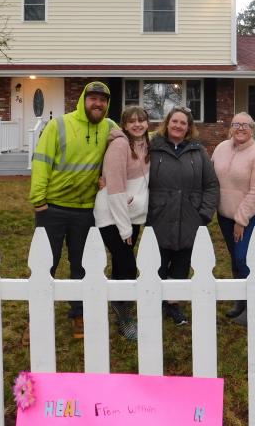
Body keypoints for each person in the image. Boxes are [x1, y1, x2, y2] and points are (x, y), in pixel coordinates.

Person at [29, 81, 117, 339]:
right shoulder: (59, 125)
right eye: (93, 98)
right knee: (46, 264)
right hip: (52, 208)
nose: (97, 103)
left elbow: (132, 146)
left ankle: (79, 314)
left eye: (103, 99)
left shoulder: (111, 129)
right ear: (83, 100)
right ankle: (36, 319)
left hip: (87, 211)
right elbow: (41, 159)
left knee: (82, 266)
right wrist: (38, 199)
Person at [148, 106, 219, 326]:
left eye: (183, 123)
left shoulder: (198, 152)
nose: (178, 126)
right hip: (159, 215)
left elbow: (211, 184)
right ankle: (154, 304)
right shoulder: (153, 148)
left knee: (181, 265)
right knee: (157, 263)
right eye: (175, 121)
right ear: (167, 123)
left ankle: (173, 305)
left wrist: (204, 214)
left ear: (189, 128)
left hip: (190, 217)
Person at [94, 105, 150, 341]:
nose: (137, 124)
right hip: (112, 217)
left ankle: (118, 305)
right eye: (132, 121)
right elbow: (115, 189)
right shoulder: (119, 145)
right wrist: (124, 227)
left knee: (121, 264)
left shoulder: (146, 145)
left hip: (133, 215)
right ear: (124, 125)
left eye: (142, 120)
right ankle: (124, 314)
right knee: (128, 266)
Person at [211, 112, 255, 326]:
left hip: (250, 215)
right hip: (225, 215)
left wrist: (241, 220)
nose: (241, 128)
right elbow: (211, 178)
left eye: (246, 125)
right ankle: (241, 301)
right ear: (230, 127)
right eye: (236, 124)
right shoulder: (220, 149)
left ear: (252, 130)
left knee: (245, 259)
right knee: (235, 261)